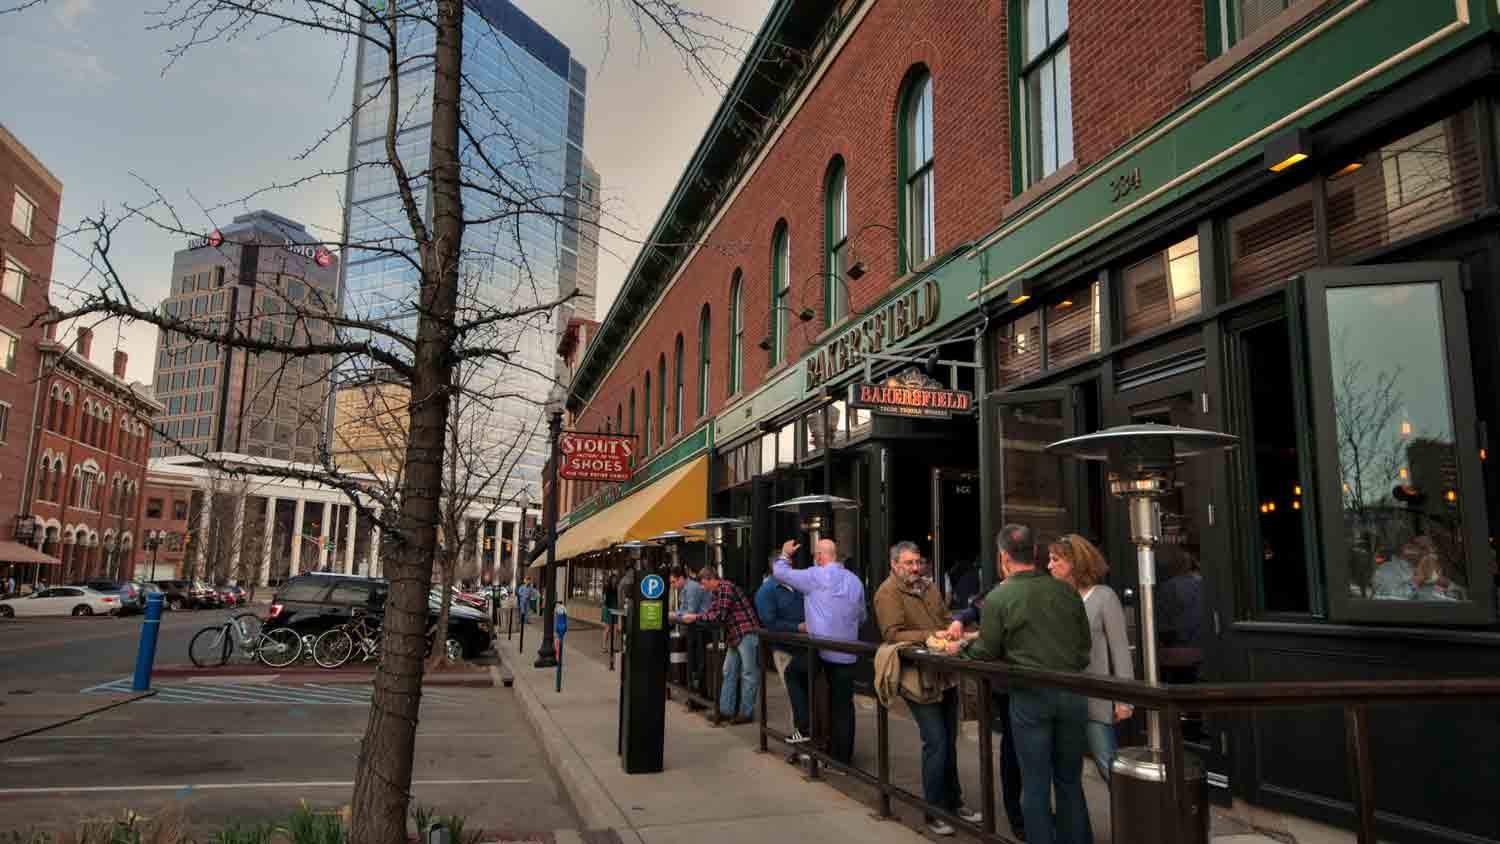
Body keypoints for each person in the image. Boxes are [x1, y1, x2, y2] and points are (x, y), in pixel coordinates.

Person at [954, 524, 1092, 844]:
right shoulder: (1067, 592)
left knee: (1035, 781)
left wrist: (961, 648)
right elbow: (1084, 648)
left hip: (1030, 694)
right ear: (1034, 554)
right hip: (1072, 691)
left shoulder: (1001, 596)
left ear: (1004, 558)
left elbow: (986, 651)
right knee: (1070, 780)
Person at [874, 541, 982, 836]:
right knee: (935, 741)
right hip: (916, 678)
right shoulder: (887, 592)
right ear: (895, 565)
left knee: (948, 740)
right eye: (908, 563)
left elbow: (946, 618)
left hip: (944, 673)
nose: (915, 568)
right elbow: (892, 633)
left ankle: (953, 801)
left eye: (917, 562)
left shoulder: (930, 587)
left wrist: (956, 628)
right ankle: (934, 811)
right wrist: (932, 635)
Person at [1046, 534, 1134, 782]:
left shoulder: (1104, 596)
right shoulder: (1056, 598)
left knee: (1108, 764)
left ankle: (1132, 818)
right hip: (1063, 699)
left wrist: (1124, 699)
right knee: (1064, 771)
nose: (1049, 565)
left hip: (1096, 699)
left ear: (1075, 563)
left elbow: (1120, 649)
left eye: (1055, 559)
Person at [774, 537, 865, 767]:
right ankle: (842, 760)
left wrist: (785, 554)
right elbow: (862, 616)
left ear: (820, 557)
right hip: (849, 651)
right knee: (843, 705)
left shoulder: (816, 575)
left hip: (822, 650)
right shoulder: (855, 581)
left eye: (816, 555)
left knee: (794, 673)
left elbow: (780, 572)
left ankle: (804, 726)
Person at [686, 567, 761, 724]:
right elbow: (713, 613)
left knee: (748, 673)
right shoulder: (716, 591)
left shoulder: (726, 588)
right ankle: (726, 710)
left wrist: (695, 617)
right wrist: (698, 617)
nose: (703, 587)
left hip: (745, 632)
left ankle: (745, 713)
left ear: (712, 579)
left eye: (704, 583)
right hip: (736, 634)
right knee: (729, 671)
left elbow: (719, 616)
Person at [755, 554, 808, 742]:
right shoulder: (766, 591)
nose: (790, 568)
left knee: (806, 695)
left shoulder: (798, 585)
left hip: (806, 648)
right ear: (774, 568)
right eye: (785, 565)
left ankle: (807, 736)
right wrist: (797, 627)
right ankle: (801, 739)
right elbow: (769, 623)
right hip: (785, 650)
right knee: (795, 696)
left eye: (791, 564)